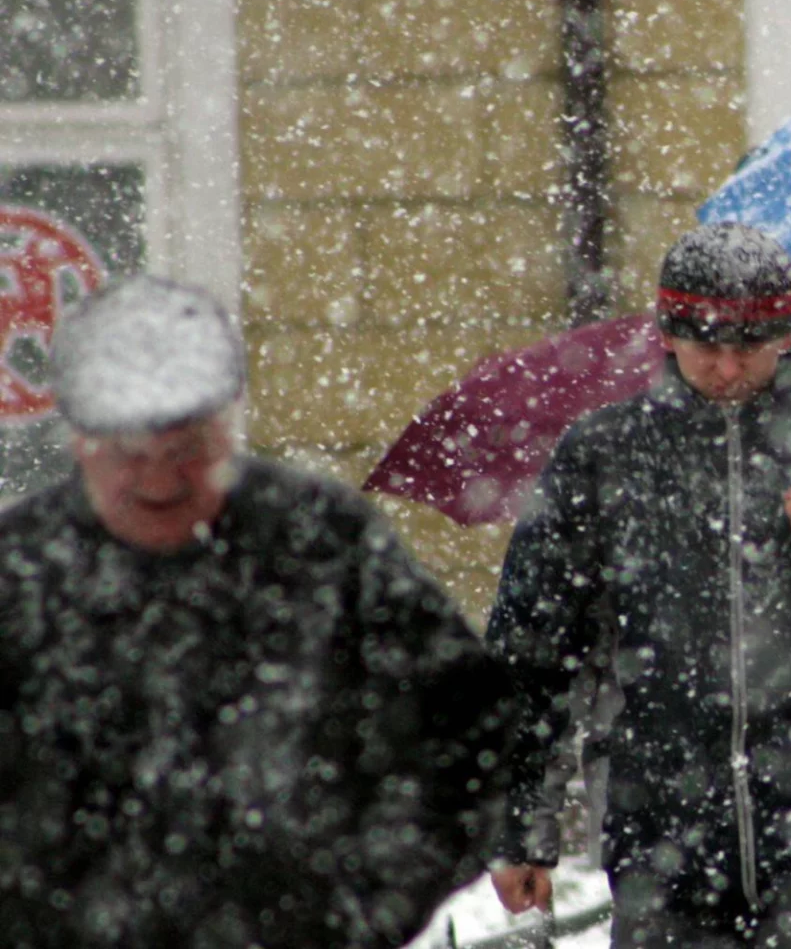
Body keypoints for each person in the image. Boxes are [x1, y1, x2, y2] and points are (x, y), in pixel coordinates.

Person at [0, 276, 516, 949]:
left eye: (186, 450)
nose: (159, 483)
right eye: (130, 456)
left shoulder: (324, 546)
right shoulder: (20, 577)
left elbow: (466, 734)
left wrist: (367, 903)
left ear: (228, 425)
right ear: (77, 440)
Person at [486, 222, 791, 949]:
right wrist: (520, 828)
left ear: (786, 337)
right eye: (706, 348)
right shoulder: (606, 450)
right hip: (659, 821)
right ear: (667, 334)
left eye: (748, 349)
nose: (727, 369)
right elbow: (532, 649)